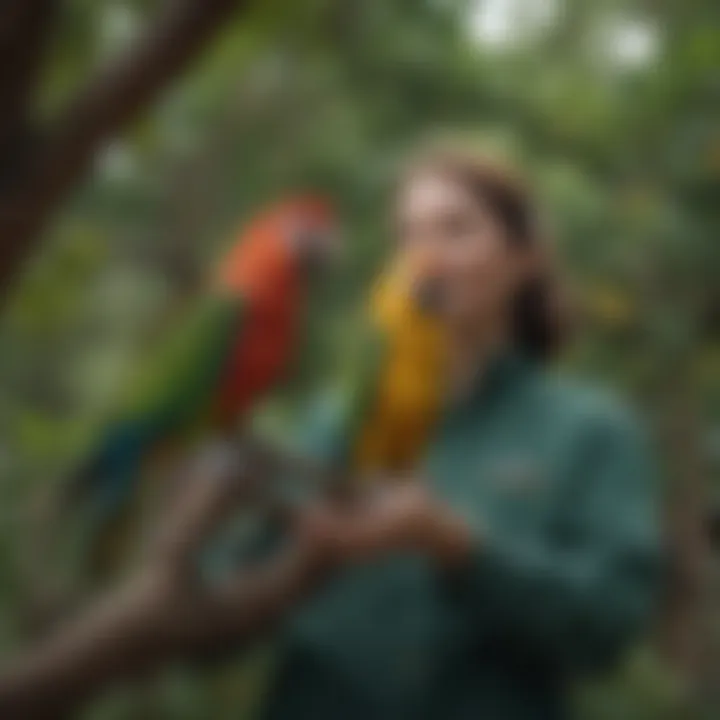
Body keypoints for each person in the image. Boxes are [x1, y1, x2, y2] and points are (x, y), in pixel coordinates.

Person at [258, 144, 663, 720]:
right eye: (409, 235)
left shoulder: (590, 432)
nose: (427, 255)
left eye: (457, 229)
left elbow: (607, 628)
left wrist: (458, 545)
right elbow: (224, 592)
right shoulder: (335, 417)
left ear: (525, 257)